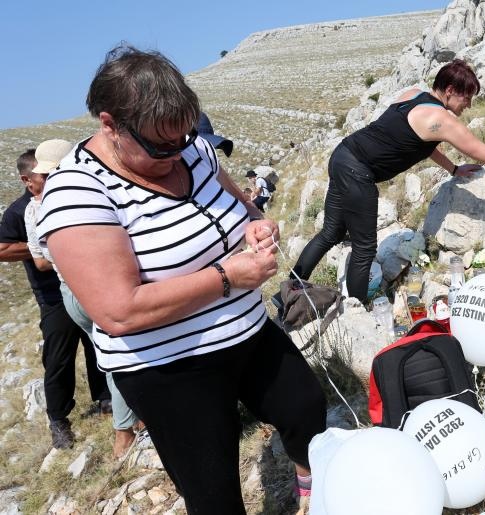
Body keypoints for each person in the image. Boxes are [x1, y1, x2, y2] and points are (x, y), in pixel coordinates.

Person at [36, 45, 326, 514]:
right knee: (214, 496)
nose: (176, 155)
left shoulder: (193, 150)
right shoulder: (76, 193)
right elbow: (119, 311)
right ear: (110, 125)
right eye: (160, 146)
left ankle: (314, 492)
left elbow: (241, 207)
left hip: (248, 333)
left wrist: (256, 225)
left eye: (183, 137)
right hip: (168, 368)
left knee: (305, 409)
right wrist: (227, 276)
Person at [291, 59, 485, 303]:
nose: (469, 105)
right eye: (467, 97)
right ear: (450, 91)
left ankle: (288, 290)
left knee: (331, 233)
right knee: (364, 248)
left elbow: (416, 141)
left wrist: (453, 168)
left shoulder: (413, 95)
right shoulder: (442, 119)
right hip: (358, 172)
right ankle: (356, 310)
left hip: (342, 155)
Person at [24, 139, 145, 459]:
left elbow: (43, 259)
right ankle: (125, 431)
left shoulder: (35, 208)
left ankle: (133, 419)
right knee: (121, 355)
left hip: (70, 291)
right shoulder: (75, 199)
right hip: (95, 288)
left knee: (109, 355)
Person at [0, 146, 110, 449]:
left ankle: (106, 399)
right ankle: (59, 420)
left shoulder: (68, 197)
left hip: (87, 285)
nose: (52, 179)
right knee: (59, 357)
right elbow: (3, 249)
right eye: (45, 176)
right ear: (27, 180)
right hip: (52, 296)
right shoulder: (19, 211)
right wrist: (49, 243)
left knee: (97, 343)